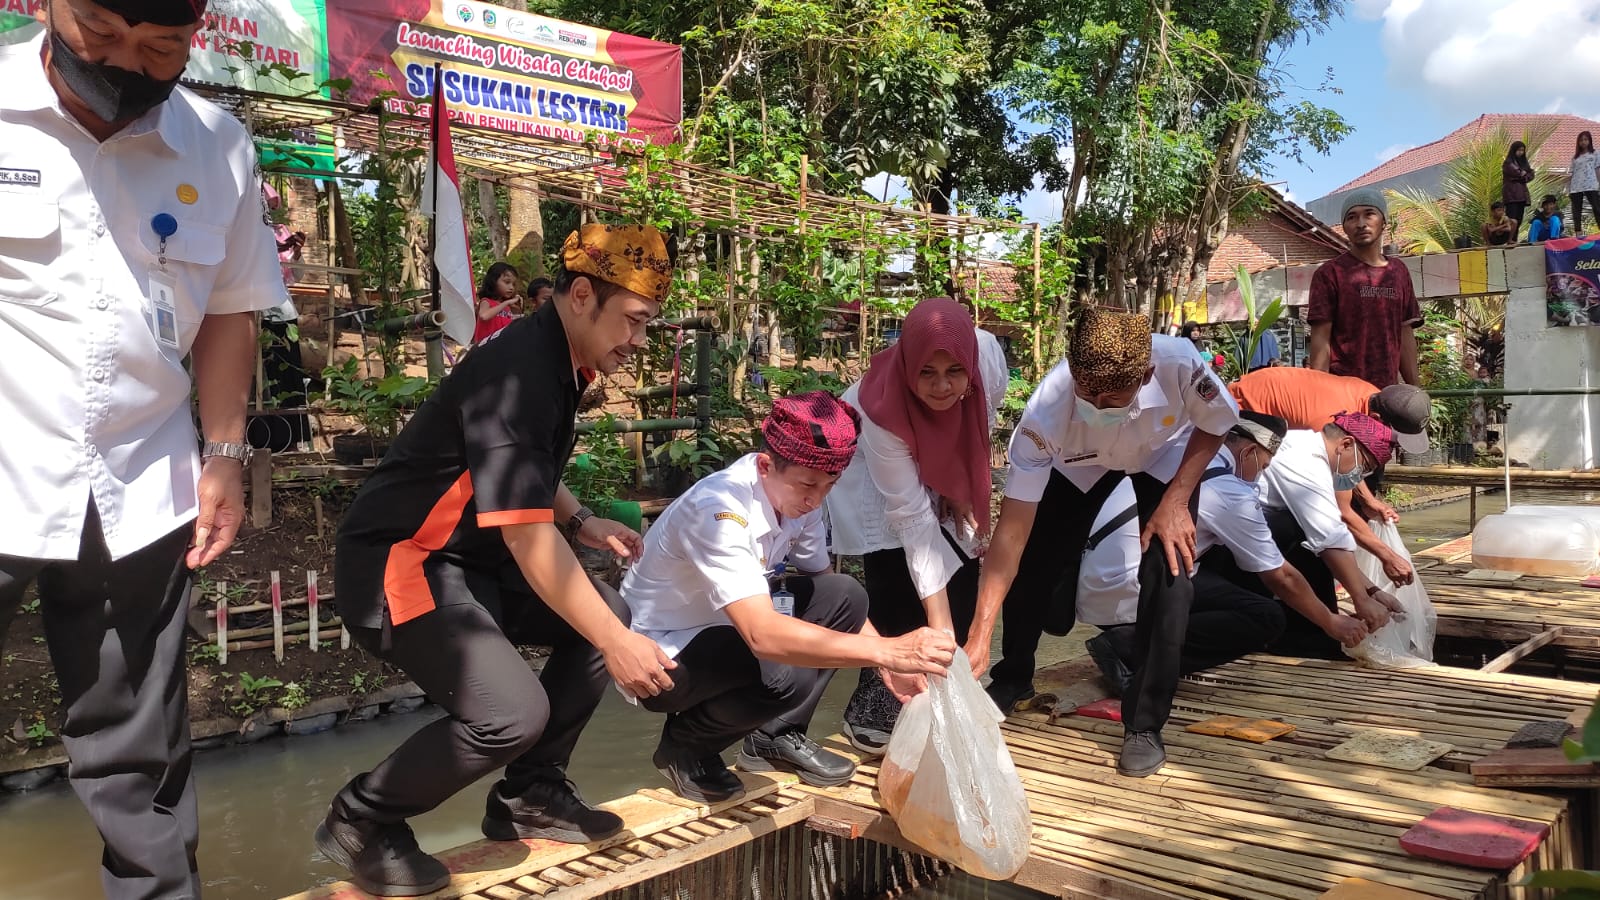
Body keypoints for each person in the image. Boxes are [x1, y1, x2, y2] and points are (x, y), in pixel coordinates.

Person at [0, 2, 287, 896]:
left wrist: (228, 453)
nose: (125, 62)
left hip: (141, 483)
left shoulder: (219, 148)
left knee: (142, 756)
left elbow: (231, 312)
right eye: (100, 33)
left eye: (160, 48)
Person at [323, 224, 678, 896]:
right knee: (513, 713)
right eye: (632, 321)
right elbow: (524, 535)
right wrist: (621, 645)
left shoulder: (558, 358)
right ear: (581, 296)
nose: (637, 341)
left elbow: (517, 466)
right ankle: (362, 818)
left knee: (607, 612)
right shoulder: (523, 369)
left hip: (467, 557)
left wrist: (578, 518)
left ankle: (532, 793)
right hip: (404, 563)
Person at [622, 392, 956, 802]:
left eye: (828, 486)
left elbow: (824, 580)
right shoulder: (718, 511)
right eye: (808, 485)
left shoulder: (798, 498)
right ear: (766, 465)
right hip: (662, 655)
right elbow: (763, 635)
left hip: (730, 624)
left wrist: (884, 667)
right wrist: (889, 652)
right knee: (785, 670)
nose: (816, 499)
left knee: (846, 596)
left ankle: (775, 734)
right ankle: (686, 746)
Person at [964, 308, 1240, 778]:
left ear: (1147, 374)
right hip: (1079, 462)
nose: (1096, 402)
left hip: (1162, 454)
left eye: (1112, 395)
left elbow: (1216, 422)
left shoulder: (1180, 364)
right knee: (1034, 561)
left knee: (1171, 575)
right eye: (1086, 391)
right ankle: (1013, 677)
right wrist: (980, 632)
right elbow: (1010, 535)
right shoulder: (1046, 412)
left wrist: (1176, 501)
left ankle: (1145, 722)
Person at [825, 298, 1009, 754]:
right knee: (899, 590)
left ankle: (944, 703)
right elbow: (909, 519)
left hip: (942, 466)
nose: (942, 387)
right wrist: (939, 628)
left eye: (953, 372)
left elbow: (974, 423)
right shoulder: (877, 411)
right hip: (872, 479)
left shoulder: (987, 356)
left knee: (963, 564)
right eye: (927, 373)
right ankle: (875, 712)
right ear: (910, 367)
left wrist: (955, 484)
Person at [1081, 412, 1370, 696]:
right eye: (1264, 465)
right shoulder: (1229, 492)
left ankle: (1142, 637)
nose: (1261, 474)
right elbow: (1282, 577)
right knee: (1266, 617)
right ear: (1249, 453)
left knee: (1255, 545)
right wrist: (1329, 621)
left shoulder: (1176, 451)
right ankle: (1126, 649)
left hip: (1097, 576)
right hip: (1128, 590)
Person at [1205, 413, 1406, 659]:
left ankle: (1310, 635)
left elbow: (1326, 537)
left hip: (1242, 539)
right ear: (1345, 445)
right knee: (1300, 543)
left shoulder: (1306, 448)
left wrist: (1371, 591)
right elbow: (1330, 538)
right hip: (1222, 548)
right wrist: (1359, 601)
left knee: (1306, 536)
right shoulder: (1306, 461)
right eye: (1363, 468)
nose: (1359, 477)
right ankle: (1310, 638)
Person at [1228, 366, 1432, 585]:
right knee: (1301, 529)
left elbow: (1348, 462)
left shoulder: (1378, 399)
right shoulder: (1327, 423)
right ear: (1375, 418)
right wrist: (1387, 557)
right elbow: (1339, 514)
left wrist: (1367, 500)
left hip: (1280, 415)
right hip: (1241, 411)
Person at [1308, 188, 1421, 388]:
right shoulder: (1329, 274)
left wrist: (1416, 390)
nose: (1361, 224)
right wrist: (1320, 395)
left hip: (1386, 395)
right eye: (1352, 217)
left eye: (1369, 214)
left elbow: (1405, 334)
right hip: (1343, 396)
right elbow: (1320, 341)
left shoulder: (1399, 272)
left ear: (1383, 221)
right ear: (1344, 226)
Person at [473, 261, 523, 344]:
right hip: (486, 348)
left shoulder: (507, 307)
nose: (511, 287)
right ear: (493, 281)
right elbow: (484, 316)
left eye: (513, 284)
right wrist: (505, 303)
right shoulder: (486, 302)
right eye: (507, 282)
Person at [1572, 132, 1600, 237]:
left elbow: (1597, 169)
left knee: (1597, 208)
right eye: (1581, 140)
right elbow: (1572, 173)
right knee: (1576, 210)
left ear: (1589, 141)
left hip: (1591, 184)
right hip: (1576, 186)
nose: (1583, 142)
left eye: (1585, 139)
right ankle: (1578, 233)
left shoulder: (1595, 154)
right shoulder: (1575, 157)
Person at [1503, 140, 1535, 230]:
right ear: (1514, 150)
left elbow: (1531, 174)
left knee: (1519, 219)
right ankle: (1509, 240)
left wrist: (1525, 174)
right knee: (1511, 219)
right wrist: (1524, 174)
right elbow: (1518, 174)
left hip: (1522, 196)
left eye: (1522, 150)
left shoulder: (1524, 163)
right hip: (1511, 196)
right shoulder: (1508, 163)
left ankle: (1514, 240)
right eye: (1519, 150)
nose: (1521, 152)